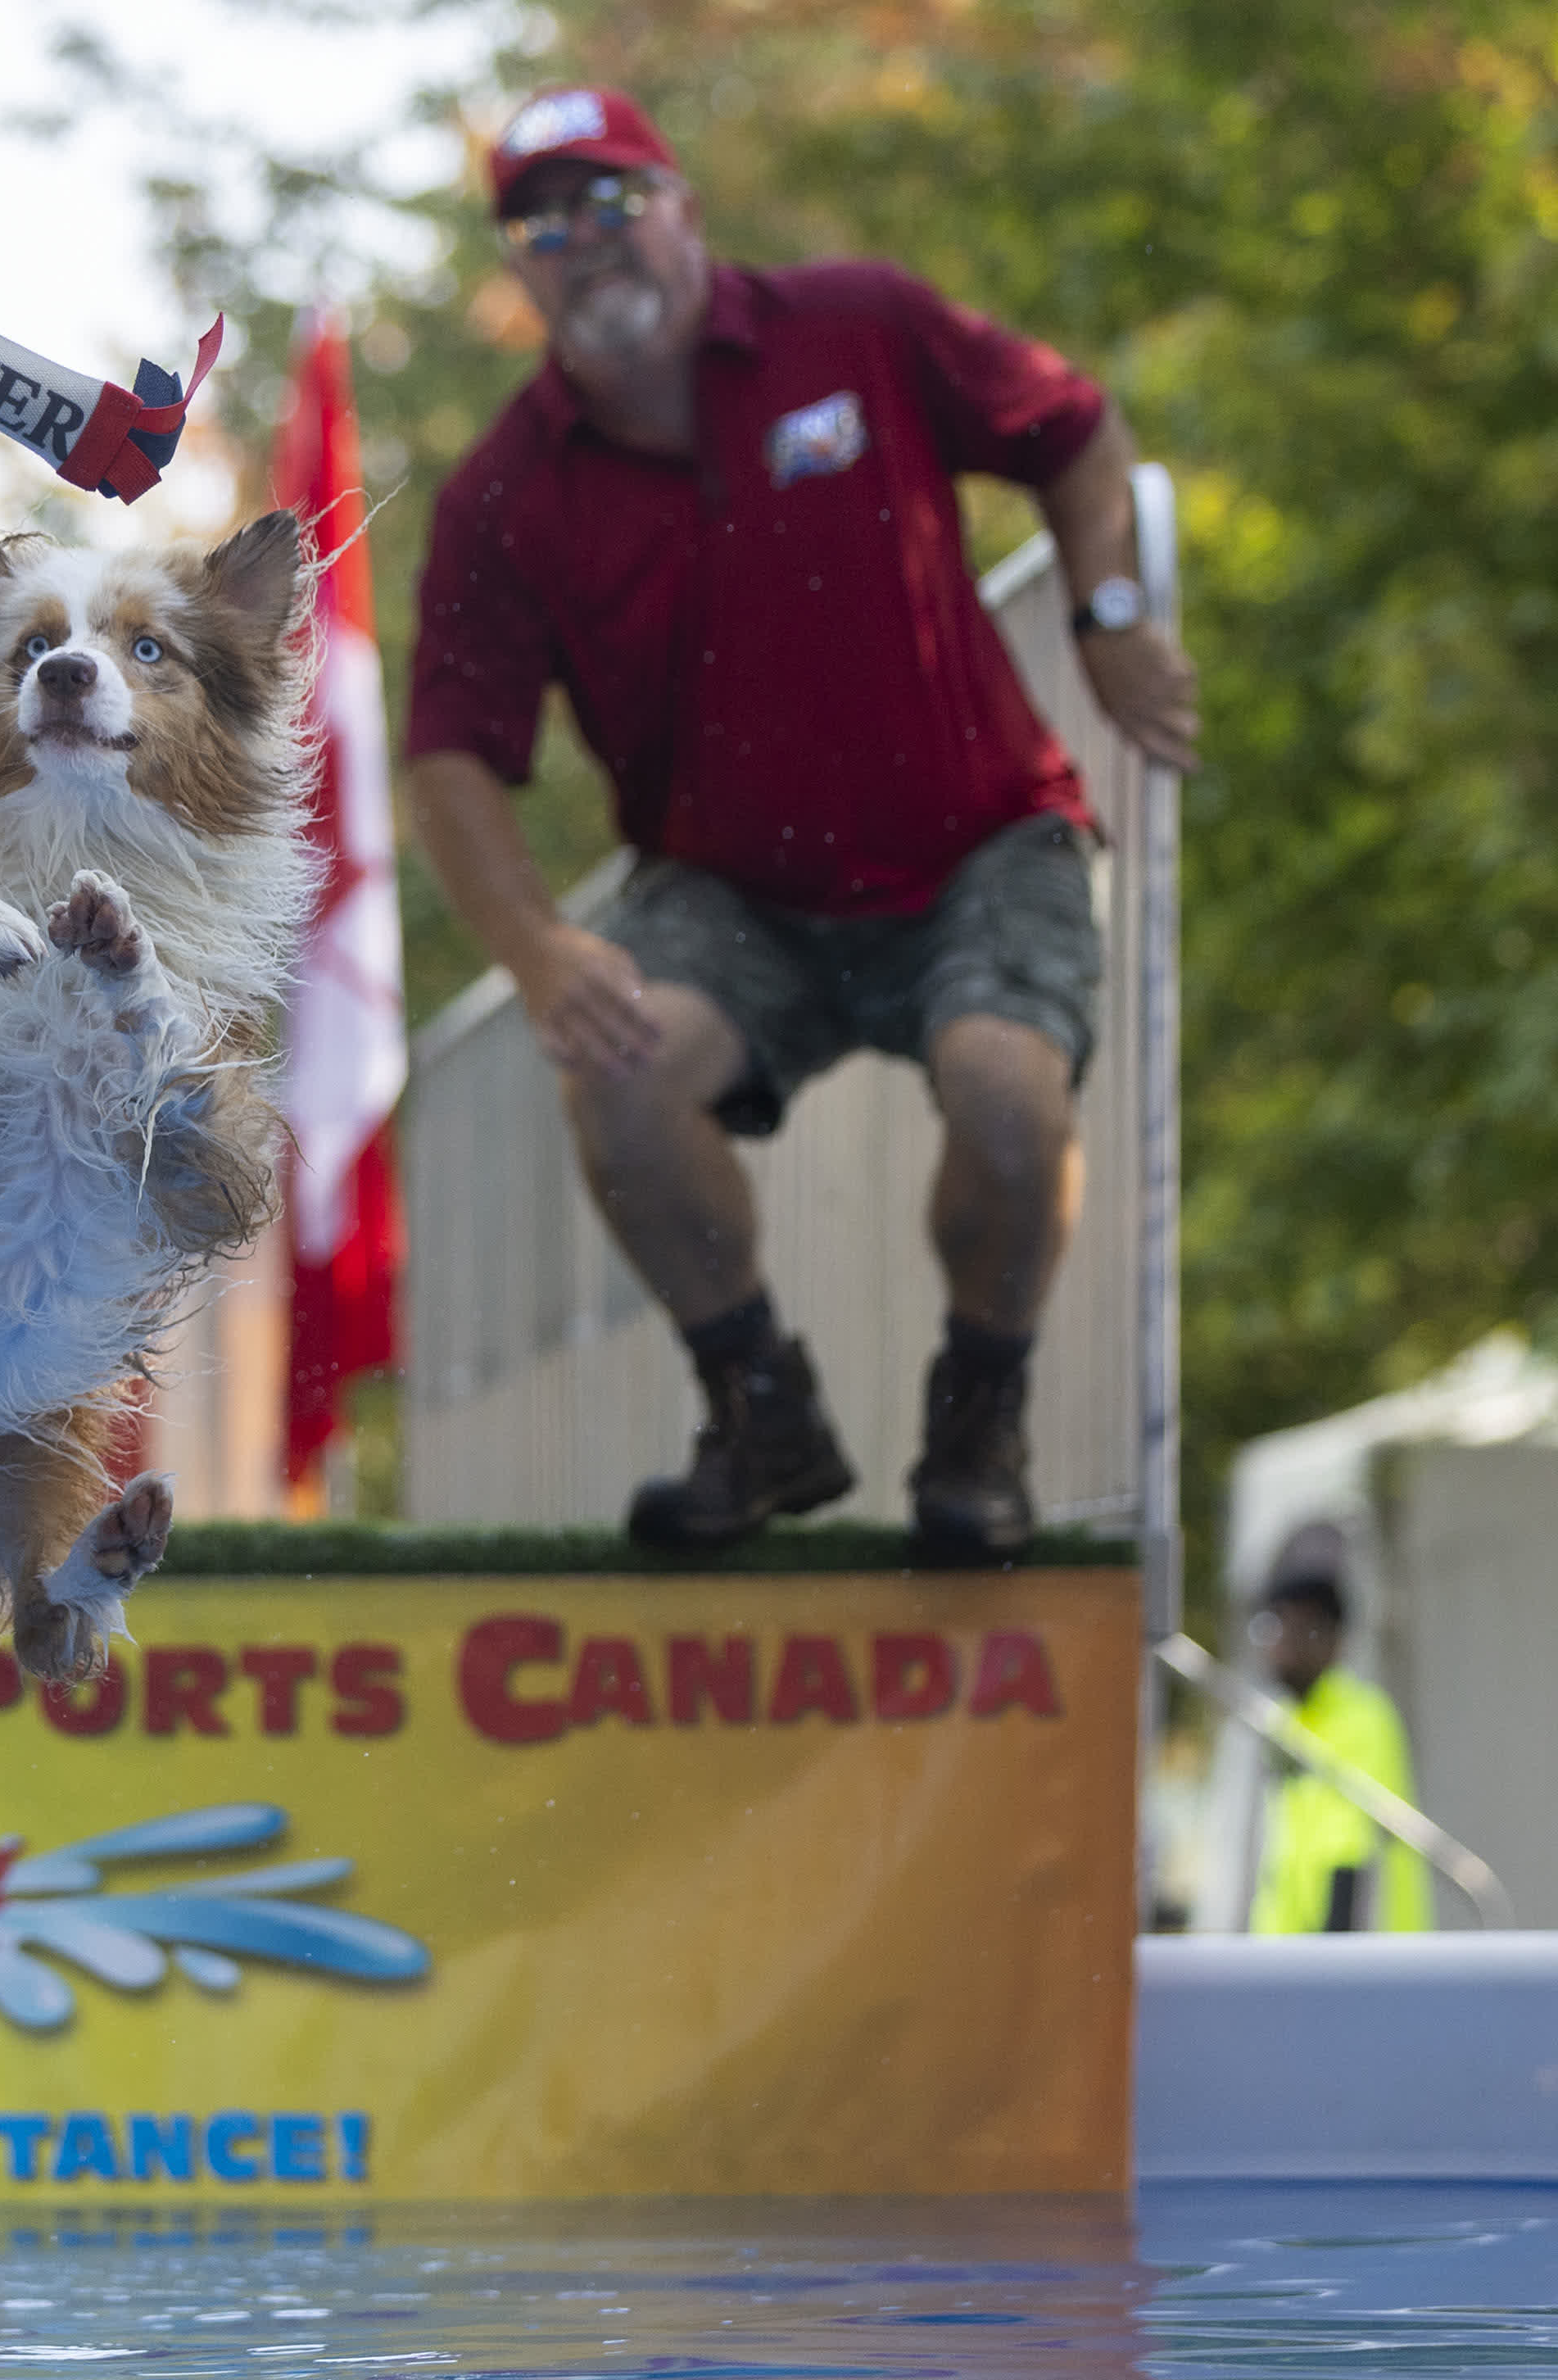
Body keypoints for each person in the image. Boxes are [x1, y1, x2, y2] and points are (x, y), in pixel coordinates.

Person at [406, 87, 1201, 1560]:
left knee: (1010, 1096)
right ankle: (759, 1410)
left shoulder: (861, 327)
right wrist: (533, 949)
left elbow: (1075, 433)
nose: (586, 247)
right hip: (731, 891)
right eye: (542, 224)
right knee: (619, 1071)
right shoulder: (507, 494)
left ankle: (981, 1424)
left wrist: (1104, 619)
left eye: (611, 202)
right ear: (518, 272)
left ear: (684, 207)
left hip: (979, 841)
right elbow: (451, 753)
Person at [1248, 1521, 1433, 1933]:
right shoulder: (1287, 1719)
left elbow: (1346, 1857)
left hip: (1358, 1965)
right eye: (1269, 1626)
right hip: (1301, 1964)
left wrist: (1330, 1973)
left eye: (1288, 1627)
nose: (1275, 1645)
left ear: (1329, 1638)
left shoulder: (1359, 1715)